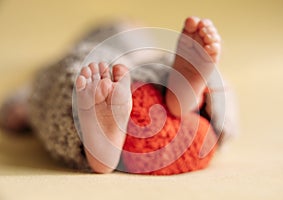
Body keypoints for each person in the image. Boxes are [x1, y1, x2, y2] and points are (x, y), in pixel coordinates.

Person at [0, 17, 237, 174]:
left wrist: (25, 105)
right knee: (156, 65)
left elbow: (33, 92)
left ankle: (93, 134)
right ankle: (194, 98)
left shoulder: (98, 39)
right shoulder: (139, 38)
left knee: (79, 70)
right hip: (149, 67)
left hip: (113, 58)